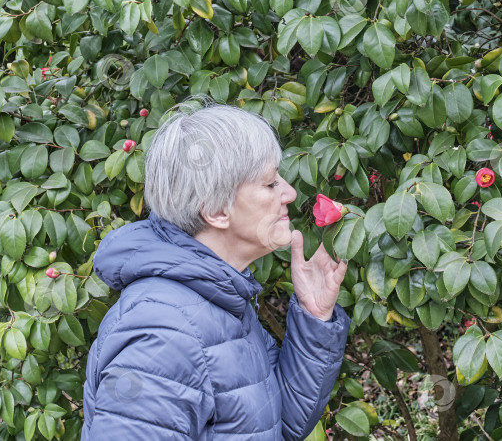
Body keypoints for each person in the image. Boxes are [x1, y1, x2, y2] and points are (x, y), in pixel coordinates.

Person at [81, 102, 351, 440]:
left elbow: (275, 425)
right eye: (270, 184)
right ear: (216, 210)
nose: (290, 193)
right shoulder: (163, 334)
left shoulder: (215, 301)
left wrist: (314, 317)